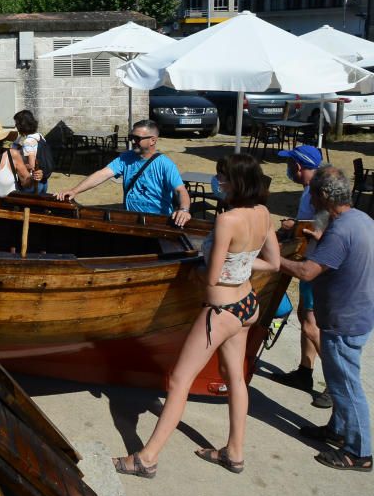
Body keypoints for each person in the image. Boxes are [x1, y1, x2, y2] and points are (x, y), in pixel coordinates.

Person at [113, 154, 280, 477]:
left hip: (221, 310)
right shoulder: (263, 213)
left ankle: (146, 458)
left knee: (178, 381)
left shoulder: (228, 220)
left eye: (223, 178)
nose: (218, 183)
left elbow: (212, 275)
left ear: (237, 182)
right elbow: (272, 263)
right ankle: (234, 452)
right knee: (235, 377)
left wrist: (205, 267)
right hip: (247, 304)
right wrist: (241, 264)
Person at [279, 166, 374, 472]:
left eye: (313, 195)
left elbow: (307, 272)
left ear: (321, 196)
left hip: (344, 320)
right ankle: (337, 429)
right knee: (339, 380)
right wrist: (321, 238)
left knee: (346, 386)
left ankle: (359, 453)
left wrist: (273, 260)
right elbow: (345, 253)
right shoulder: (359, 219)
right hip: (356, 313)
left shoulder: (341, 229)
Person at [272, 145, 331, 408]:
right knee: (305, 317)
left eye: (291, 164)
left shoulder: (317, 194)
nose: (289, 169)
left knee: (310, 323)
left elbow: (319, 228)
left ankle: (334, 384)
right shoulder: (312, 190)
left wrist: (292, 226)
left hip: (315, 265)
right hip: (311, 262)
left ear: (298, 166)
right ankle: (305, 372)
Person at [56, 120, 192, 227]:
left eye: (138, 138)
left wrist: (184, 210)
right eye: (131, 137)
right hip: (131, 219)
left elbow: (180, 190)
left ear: (153, 140)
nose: (133, 141)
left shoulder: (164, 164)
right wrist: (75, 190)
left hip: (157, 222)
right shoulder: (125, 157)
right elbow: (102, 174)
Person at [12, 110, 52, 195]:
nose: (15, 126)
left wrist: (19, 165)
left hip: (32, 183)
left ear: (21, 125)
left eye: (16, 124)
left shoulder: (28, 142)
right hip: (44, 181)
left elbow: (31, 165)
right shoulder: (39, 136)